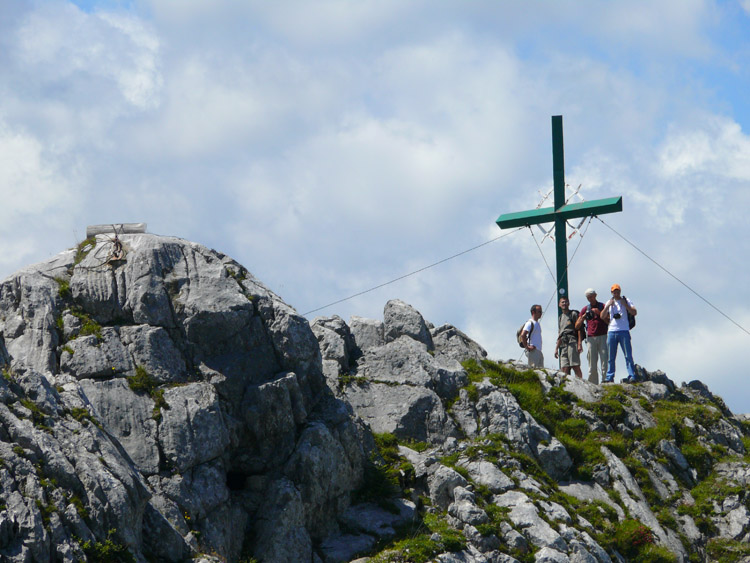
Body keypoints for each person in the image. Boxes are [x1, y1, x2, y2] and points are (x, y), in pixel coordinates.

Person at [600, 284, 638, 383]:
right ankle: (610, 376)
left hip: (624, 330)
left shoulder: (626, 300)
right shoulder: (609, 302)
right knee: (611, 356)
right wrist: (608, 306)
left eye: (617, 291)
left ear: (620, 292)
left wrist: (625, 305)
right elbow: (602, 316)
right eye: (614, 292)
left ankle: (632, 374)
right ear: (612, 292)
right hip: (612, 331)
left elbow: (634, 312)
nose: (616, 293)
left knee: (628, 355)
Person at [575, 288, 609, 384]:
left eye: (591, 296)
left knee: (604, 360)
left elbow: (609, 321)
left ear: (595, 295)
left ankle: (605, 380)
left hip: (603, 335)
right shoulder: (585, 309)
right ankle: (593, 382)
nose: (590, 299)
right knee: (592, 362)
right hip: (590, 337)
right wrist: (583, 317)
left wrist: (600, 313)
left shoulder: (602, 306)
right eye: (588, 297)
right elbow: (577, 326)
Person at [554, 297, 583, 377]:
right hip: (563, 344)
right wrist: (556, 348)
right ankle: (566, 386)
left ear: (569, 303)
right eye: (562, 302)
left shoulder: (573, 314)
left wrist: (579, 343)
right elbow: (560, 333)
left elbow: (579, 329)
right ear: (559, 304)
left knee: (575, 365)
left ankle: (580, 383)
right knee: (564, 367)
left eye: (566, 302)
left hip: (572, 342)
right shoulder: (560, 317)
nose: (564, 304)